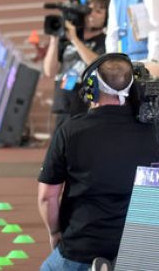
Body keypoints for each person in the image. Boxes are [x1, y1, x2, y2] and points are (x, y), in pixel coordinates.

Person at [38, 53, 159, 270]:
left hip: (82, 247)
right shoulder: (153, 132)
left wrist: (55, 233)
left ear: (91, 88)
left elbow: (47, 197)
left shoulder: (70, 131)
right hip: (141, 250)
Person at [43, 0, 108, 132]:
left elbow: (96, 64)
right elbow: (49, 71)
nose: (92, 15)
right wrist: (55, 40)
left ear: (106, 17)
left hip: (87, 109)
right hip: (64, 106)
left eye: (99, 11)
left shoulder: (106, 40)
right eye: (89, 10)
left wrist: (75, 40)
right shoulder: (68, 36)